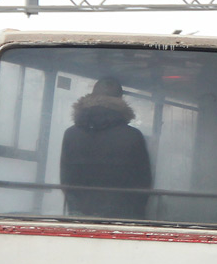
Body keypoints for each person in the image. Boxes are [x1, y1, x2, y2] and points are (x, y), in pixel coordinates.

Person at [60, 77, 152, 218]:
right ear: (121, 100)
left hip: (79, 217)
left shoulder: (71, 134)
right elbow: (143, 185)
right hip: (123, 218)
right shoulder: (132, 136)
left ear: (91, 96)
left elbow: (66, 181)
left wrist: (78, 210)